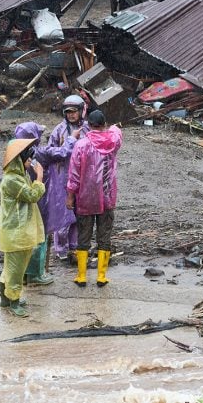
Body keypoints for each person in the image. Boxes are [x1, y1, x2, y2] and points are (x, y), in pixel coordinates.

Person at [14, 121, 80, 285]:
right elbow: (64, 152)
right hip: (41, 199)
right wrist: (71, 138)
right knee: (40, 237)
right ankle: (36, 274)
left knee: (25, 237)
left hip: (20, 201)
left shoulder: (14, 155)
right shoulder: (40, 153)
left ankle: (23, 273)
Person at [66, 110, 122, 287]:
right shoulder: (113, 140)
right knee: (104, 235)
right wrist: (112, 127)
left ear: (88, 125)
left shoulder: (81, 145)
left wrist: (70, 197)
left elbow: (73, 174)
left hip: (86, 197)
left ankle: (82, 276)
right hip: (107, 197)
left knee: (84, 235)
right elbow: (116, 131)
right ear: (104, 123)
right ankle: (101, 276)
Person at [0, 138, 46, 317]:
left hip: (17, 232)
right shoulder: (12, 181)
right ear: (19, 160)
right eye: (27, 160)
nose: (29, 163)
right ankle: (14, 302)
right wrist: (39, 177)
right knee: (16, 270)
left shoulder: (18, 177)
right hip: (16, 233)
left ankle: (6, 299)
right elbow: (33, 195)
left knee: (11, 268)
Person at [47, 94, 89, 262]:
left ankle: (74, 245)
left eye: (74, 111)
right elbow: (51, 150)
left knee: (78, 214)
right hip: (63, 176)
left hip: (83, 178)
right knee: (63, 214)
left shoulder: (88, 129)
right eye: (68, 112)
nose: (71, 115)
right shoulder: (59, 130)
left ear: (81, 111)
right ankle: (61, 248)